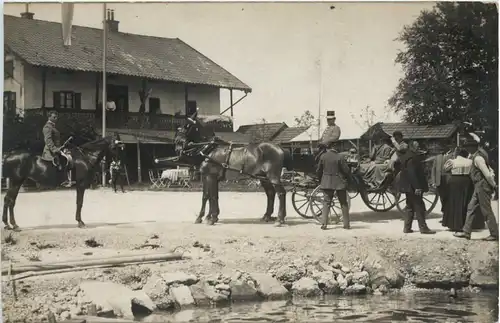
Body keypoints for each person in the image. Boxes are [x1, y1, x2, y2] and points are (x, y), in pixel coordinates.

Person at [454, 133, 498, 241]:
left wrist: (494, 186)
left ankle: (494, 234)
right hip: (478, 186)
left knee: (486, 210)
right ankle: (466, 232)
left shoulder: (478, 158)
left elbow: (487, 173)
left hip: (482, 186)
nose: (467, 149)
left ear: (473, 147)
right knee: (471, 207)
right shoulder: (478, 155)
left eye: (468, 147)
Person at [441, 148, 484, 232]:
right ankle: (466, 223)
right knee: (466, 202)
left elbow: (445, 169)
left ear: (457, 154)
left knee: (454, 202)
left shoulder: (452, 161)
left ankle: (454, 224)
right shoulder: (470, 162)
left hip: (454, 181)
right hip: (467, 181)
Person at [398, 141, 436, 234]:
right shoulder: (412, 158)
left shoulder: (406, 156)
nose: (419, 148)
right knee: (419, 206)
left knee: (410, 206)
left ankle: (407, 227)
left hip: (408, 187)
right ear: (412, 147)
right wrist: (417, 187)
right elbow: (412, 174)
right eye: (417, 146)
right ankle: (423, 228)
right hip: (413, 187)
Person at [316, 142, 351, 230]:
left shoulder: (323, 156)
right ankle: (346, 225)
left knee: (326, 202)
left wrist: (321, 180)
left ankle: (324, 224)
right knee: (343, 203)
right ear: (335, 147)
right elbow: (346, 171)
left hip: (326, 182)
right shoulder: (340, 157)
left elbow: (319, 170)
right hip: (339, 182)